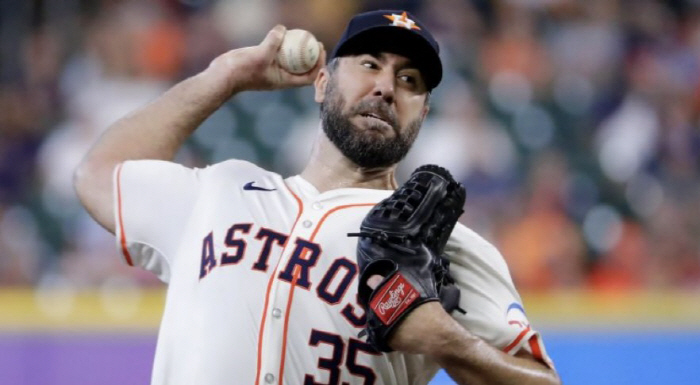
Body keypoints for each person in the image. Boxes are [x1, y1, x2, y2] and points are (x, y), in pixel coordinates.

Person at [74, 9, 560, 385]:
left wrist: (448, 342)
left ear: (423, 114)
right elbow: (99, 175)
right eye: (370, 64)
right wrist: (222, 79)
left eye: (409, 80)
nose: (386, 87)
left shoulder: (442, 244)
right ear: (322, 83)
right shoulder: (221, 190)